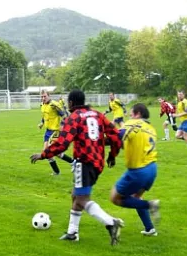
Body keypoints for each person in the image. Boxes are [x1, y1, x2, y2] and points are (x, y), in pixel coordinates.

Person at [30, 89, 124, 246]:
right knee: (76, 195)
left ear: (71, 103)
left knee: (81, 200)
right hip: (97, 162)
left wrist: (43, 154)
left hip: (84, 162)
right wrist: (112, 156)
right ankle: (72, 233)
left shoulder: (74, 118)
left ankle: (111, 222)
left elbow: (62, 143)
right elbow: (115, 136)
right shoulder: (98, 114)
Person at [110, 103, 160, 236]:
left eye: (131, 114)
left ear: (137, 114)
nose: (129, 117)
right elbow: (129, 144)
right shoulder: (151, 128)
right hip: (152, 169)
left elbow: (116, 137)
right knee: (136, 197)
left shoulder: (133, 123)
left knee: (115, 198)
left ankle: (150, 205)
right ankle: (150, 229)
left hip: (138, 171)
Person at [38, 89, 73, 175]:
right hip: (47, 131)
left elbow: (65, 116)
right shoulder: (42, 104)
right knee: (46, 152)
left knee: (50, 150)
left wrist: (62, 125)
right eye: (42, 96)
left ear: (49, 96)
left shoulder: (54, 105)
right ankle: (59, 170)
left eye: (45, 96)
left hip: (56, 130)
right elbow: (44, 116)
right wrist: (42, 123)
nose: (43, 98)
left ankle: (73, 162)